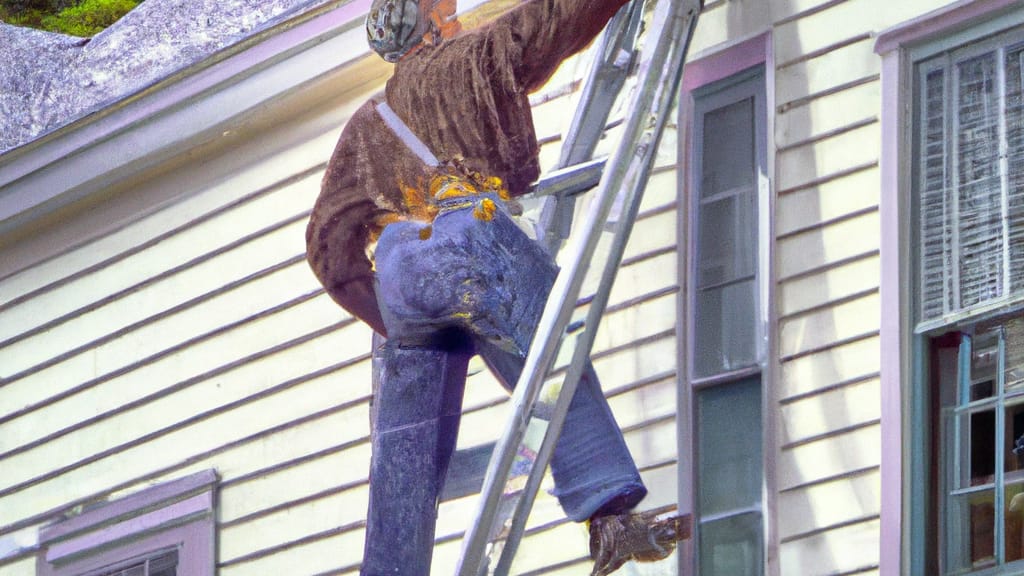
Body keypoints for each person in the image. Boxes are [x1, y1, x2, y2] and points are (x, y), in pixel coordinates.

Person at [305, 0, 688, 574]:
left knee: (404, 448)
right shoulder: (476, 57)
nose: (455, 13)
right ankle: (608, 515)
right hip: (472, 231)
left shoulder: (367, 123)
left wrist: (395, 320)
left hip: (399, 269)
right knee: (548, 363)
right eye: (444, 8)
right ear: (430, 24)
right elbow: (559, 18)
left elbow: (327, 249)